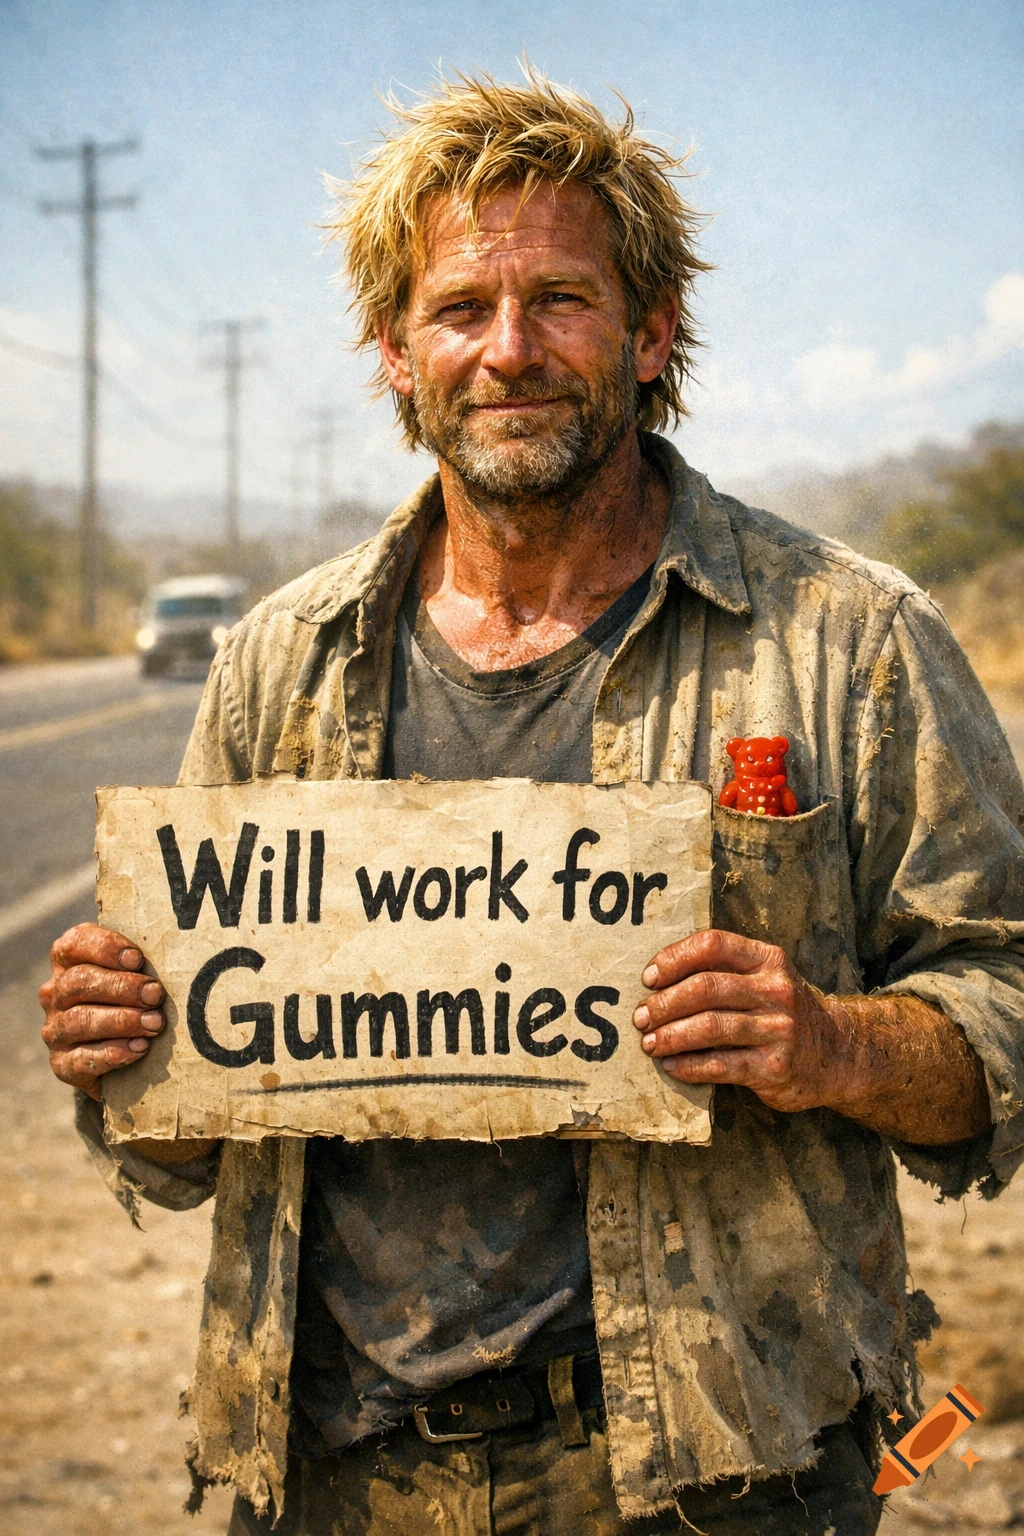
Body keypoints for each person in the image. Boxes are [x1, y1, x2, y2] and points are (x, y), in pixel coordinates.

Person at [39, 71, 1024, 1536]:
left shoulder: (846, 640)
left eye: (561, 299)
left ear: (650, 333)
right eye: (459, 310)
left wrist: (836, 1045)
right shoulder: (279, 667)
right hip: (331, 1465)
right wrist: (120, 1057)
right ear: (393, 352)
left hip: (720, 1472)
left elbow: (1004, 992)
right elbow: (181, 1136)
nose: (510, 350)